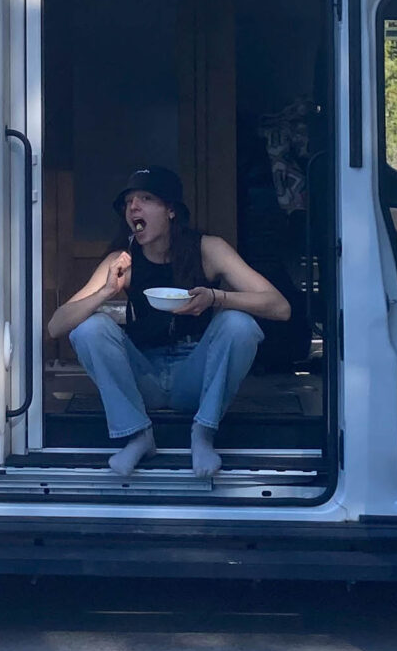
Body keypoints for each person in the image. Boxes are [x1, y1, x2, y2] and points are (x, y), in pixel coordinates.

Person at [46, 166, 291, 477]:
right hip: (143, 374)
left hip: (195, 375)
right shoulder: (123, 260)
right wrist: (107, 290)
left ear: (171, 211)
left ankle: (203, 433)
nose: (133, 207)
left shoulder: (208, 249)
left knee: (238, 324)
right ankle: (137, 434)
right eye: (129, 202)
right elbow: (56, 325)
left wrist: (216, 298)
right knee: (90, 328)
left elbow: (279, 307)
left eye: (146, 198)